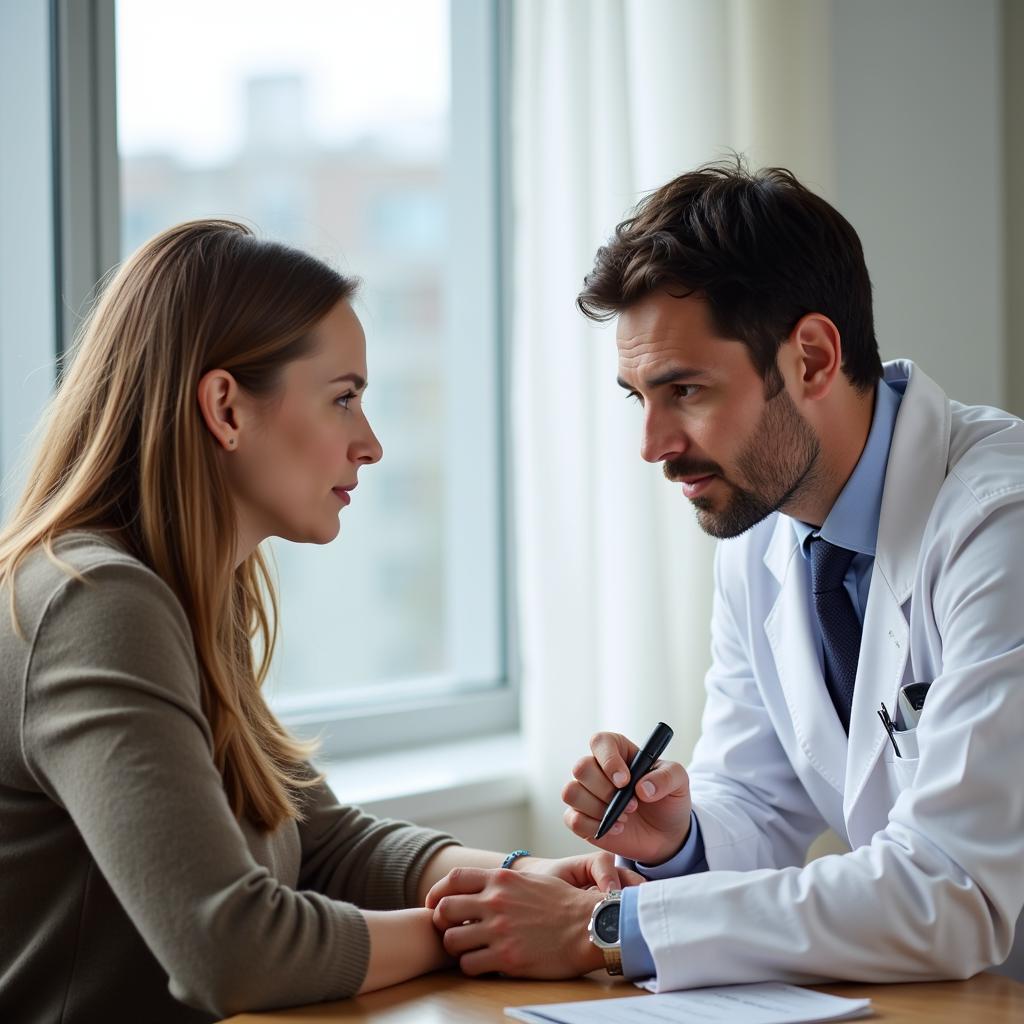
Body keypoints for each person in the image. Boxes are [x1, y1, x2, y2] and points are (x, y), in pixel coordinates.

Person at [0, 220, 638, 1024]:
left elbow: (321, 841)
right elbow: (229, 950)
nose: (369, 445)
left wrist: (526, 877)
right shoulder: (96, 604)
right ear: (226, 408)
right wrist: (486, 932)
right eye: (343, 399)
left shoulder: (185, 595)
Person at [427, 160, 1024, 988]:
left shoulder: (1002, 523)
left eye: (686, 389)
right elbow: (760, 800)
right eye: (639, 396)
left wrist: (609, 926)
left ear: (812, 358)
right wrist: (679, 839)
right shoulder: (760, 528)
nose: (654, 445)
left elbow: (950, 890)